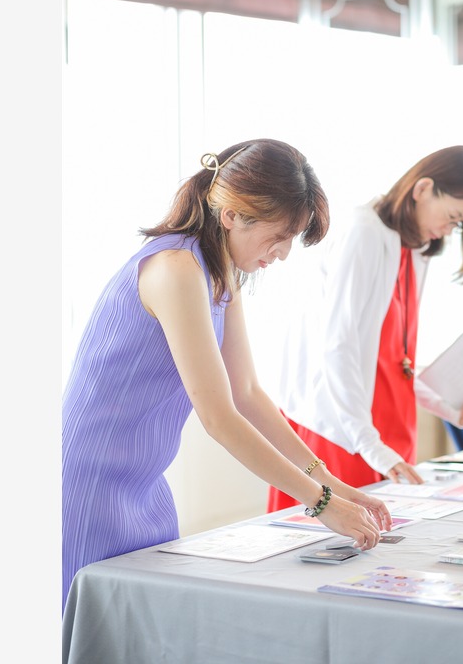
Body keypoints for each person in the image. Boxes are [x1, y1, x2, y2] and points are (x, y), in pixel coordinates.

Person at [62, 138, 392, 611]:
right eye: (277, 237)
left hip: (145, 486)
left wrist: (334, 486)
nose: (281, 254)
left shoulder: (222, 272)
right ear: (234, 214)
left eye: (290, 241)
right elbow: (218, 417)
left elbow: (249, 394)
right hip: (87, 487)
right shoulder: (174, 267)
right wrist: (321, 505)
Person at [267, 145, 463, 511]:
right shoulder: (365, 233)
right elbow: (338, 348)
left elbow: (395, 360)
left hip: (386, 434)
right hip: (344, 432)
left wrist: (449, 409)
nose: (448, 231)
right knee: (332, 553)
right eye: (452, 217)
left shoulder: (415, 248)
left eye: (458, 225)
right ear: (422, 189)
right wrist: (371, 446)